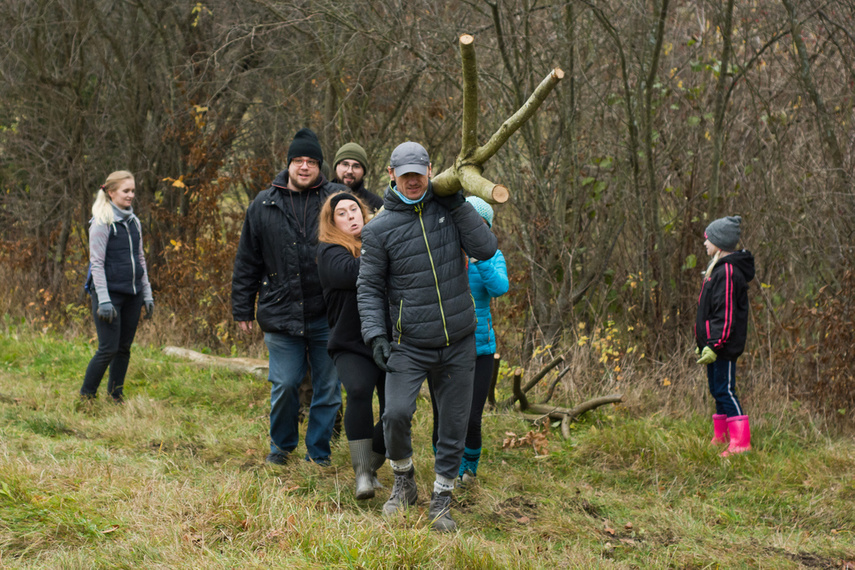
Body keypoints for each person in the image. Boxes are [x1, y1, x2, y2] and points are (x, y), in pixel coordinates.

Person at [357, 141, 498, 532]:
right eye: (405, 175)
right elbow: (368, 288)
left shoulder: (450, 209)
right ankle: (404, 481)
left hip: (459, 341)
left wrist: (458, 204)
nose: (413, 181)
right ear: (391, 175)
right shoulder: (379, 229)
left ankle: (441, 499)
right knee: (395, 414)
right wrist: (376, 335)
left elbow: (486, 248)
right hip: (409, 344)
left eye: (419, 174)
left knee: (453, 424)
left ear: (430, 170)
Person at [232, 128, 346, 466]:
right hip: (280, 311)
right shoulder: (263, 204)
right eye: (298, 160)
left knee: (328, 389)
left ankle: (318, 454)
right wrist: (242, 308)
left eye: (311, 161)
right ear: (289, 164)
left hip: (328, 313)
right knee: (284, 384)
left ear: (320, 166)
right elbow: (247, 260)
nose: (304, 166)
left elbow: (359, 242)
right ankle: (281, 448)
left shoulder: (336, 199)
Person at [429, 196, 508, 485]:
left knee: (472, 416)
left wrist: (479, 257)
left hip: (480, 348)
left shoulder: (493, 256)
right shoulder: (441, 252)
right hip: (444, 345)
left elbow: (499, 288)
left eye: (479, 225)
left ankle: (469, 468)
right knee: (442, 414)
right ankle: (444, 468)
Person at [317, 192, 388, 499]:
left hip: (388, 339)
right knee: (358, 391)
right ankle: (361, 474)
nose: (351, 216)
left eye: (354, 210)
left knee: (396, 408)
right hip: (349, 342)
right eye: (342, 213)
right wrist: (380, 243)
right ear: (332, 222)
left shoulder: (377, 242)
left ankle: (373, 463)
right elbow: (354, 273)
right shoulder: (329, 252)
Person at [80, 170, 154, 403]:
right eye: (126, 191)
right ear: (111, 193)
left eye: (133, 191)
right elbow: (96, 264)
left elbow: (140, 259)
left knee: (123, 348)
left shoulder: (134, 222)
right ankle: (86, 397)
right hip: (109, 296)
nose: (131, 195)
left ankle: (115, 396)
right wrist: (103, 300)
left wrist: (147, 294)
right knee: (108, 348)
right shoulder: (101, 223)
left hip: (133, 294)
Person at [695, 215, 755, 457]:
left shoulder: (728, 271)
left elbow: (725, 314)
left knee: (725, 390)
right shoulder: (717, 270)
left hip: (723, 346)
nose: (704, 243)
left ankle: (741, 443)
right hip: (713, 345)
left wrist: (715, 344)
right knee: (716, 389)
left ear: (719, 243)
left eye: (708, 239)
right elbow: (708, 312)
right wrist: (703, 342)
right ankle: (722, 437)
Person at [331, 142, 384, 212]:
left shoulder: (375, 203)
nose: (349, 171)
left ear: (363, 171)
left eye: (356, 166)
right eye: (345, 164)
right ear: (336, 167)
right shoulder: (323, 197)